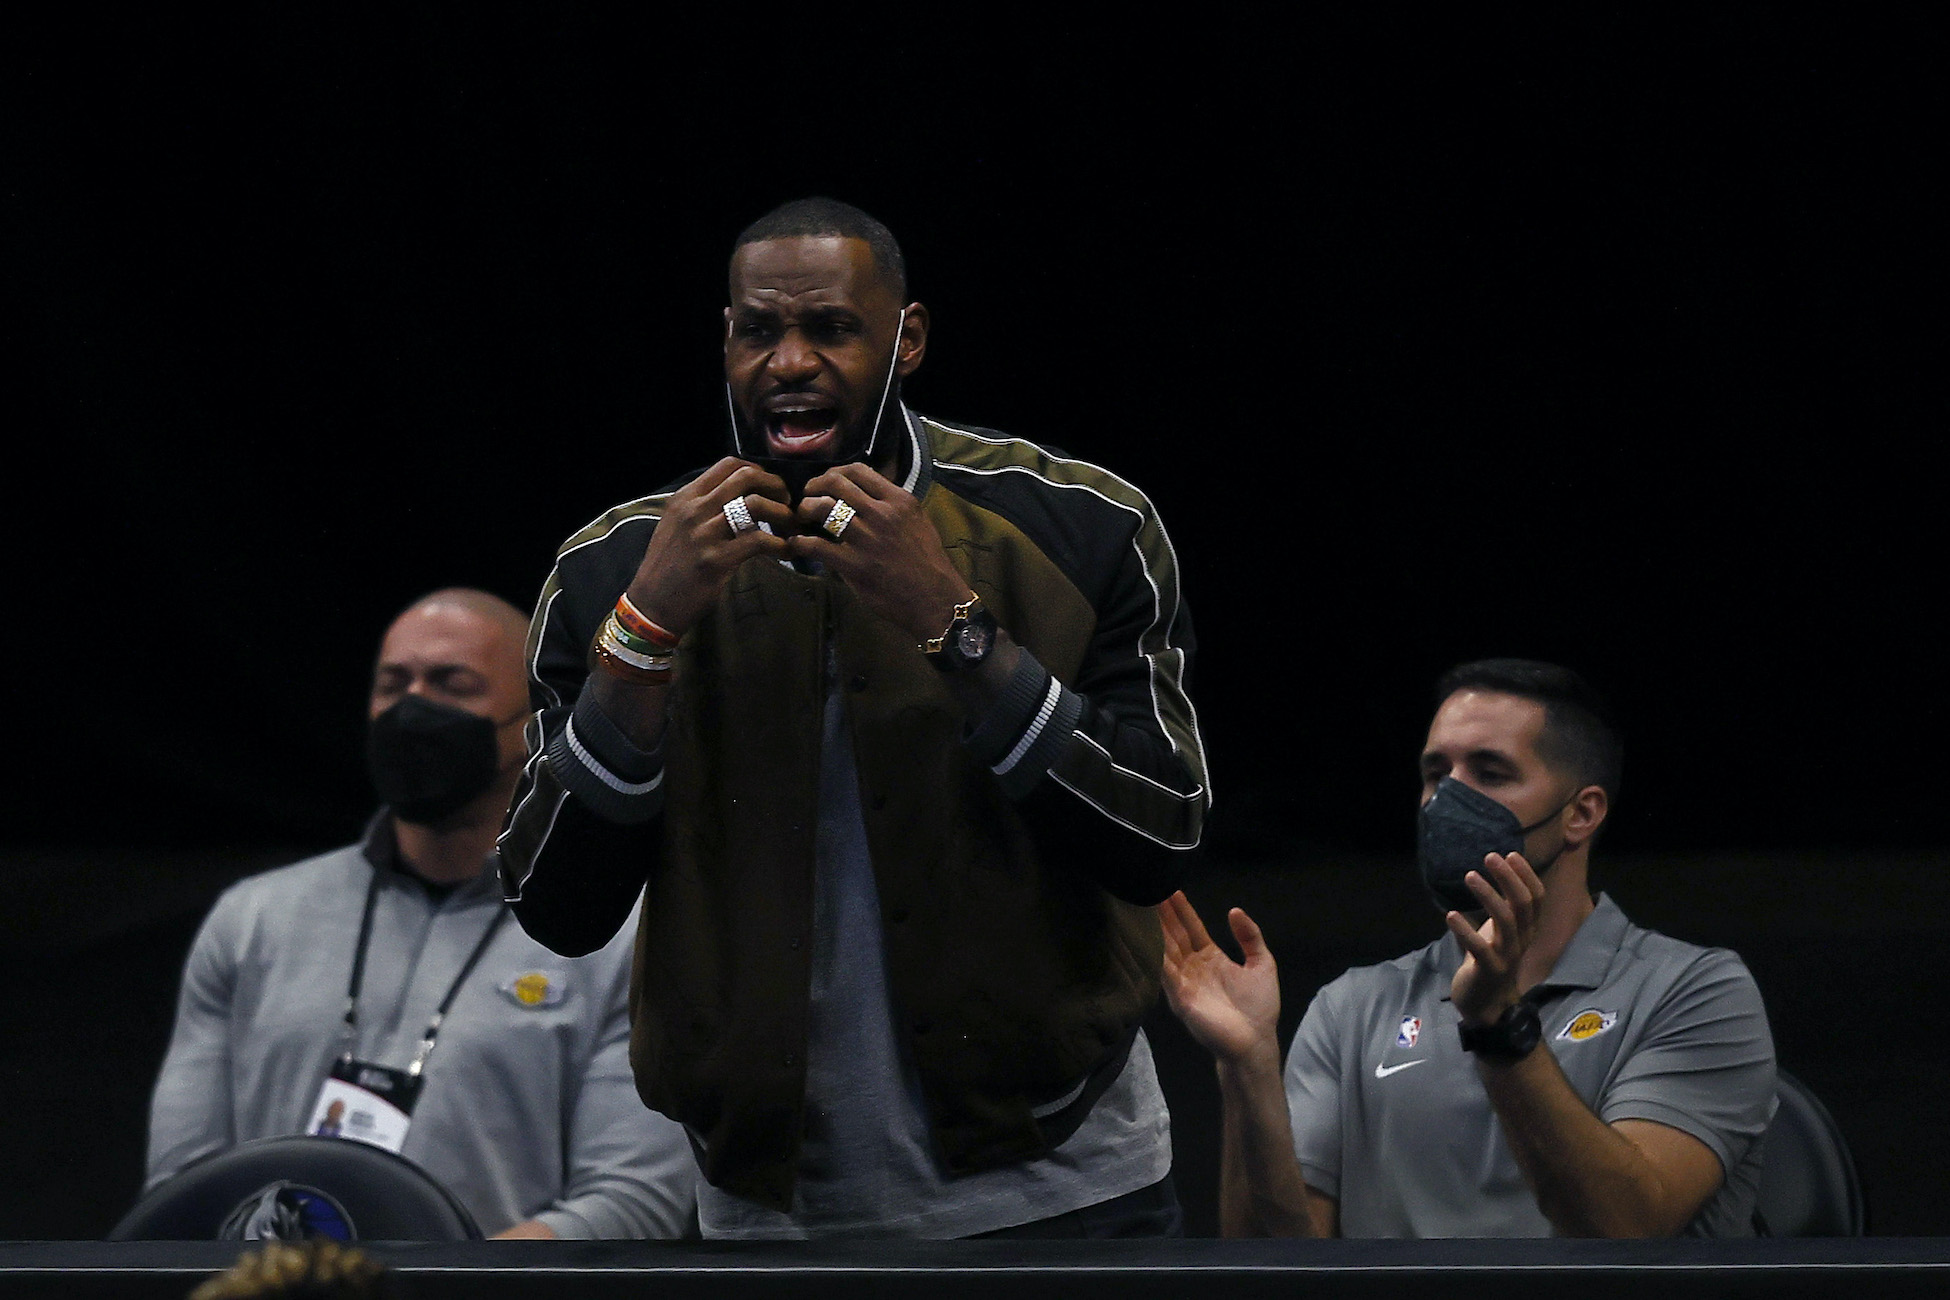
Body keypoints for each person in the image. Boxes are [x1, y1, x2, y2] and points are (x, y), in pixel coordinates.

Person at [498, 197, 1210, 1238]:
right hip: (764, 1209)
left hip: (1066, 1186)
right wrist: (643, 635)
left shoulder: (1085, 522)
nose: (789, 362)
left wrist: (951, 624)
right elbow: (554, 905)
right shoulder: (612, 568)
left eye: (830, 328)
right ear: (726, 341)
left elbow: (1161, 833)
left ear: (906, 338)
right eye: (759, 331)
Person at [147, 589, 698, 1240]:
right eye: (393, 683)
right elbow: (182, 1192)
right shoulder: (252, 921)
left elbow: (633, 1204)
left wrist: (425, 1289)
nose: (413, 708)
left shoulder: (620, 935)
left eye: (451, 684)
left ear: (536, 715)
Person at [1161, 659, 1776, 1238]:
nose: (1444, 800)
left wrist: (1499, 1025)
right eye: (1435, 773)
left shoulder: (1697, 992)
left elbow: (1625, 1228)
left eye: (1490, 772)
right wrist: (1248, 1068)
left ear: (1580, 814)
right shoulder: (1352, 1008)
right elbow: (1276, 1265)